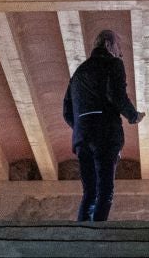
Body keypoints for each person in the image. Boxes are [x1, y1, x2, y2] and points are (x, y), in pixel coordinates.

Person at [62, 29, 144, 222]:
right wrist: (133, 116)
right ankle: (96, 235)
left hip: (82, 138)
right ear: (108, 45)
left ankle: (82, 235)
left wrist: (83, 126)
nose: (120, 52)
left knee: (89, 191)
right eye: (118, 47)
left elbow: (66, 111)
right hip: (105, 136)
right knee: (105, 190)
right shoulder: (113, 64)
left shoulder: (78, 73)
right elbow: (116, 94)